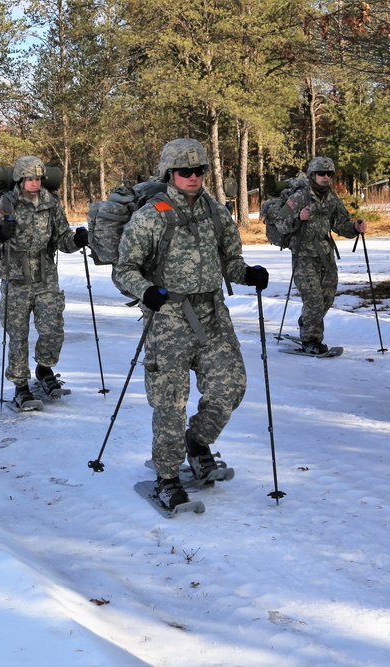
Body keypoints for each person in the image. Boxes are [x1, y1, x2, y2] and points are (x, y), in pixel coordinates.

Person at [114, 138, 269, 512]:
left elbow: (231, 260)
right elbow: (124, 270)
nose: (194, 177)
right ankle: (167, 478)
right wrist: (145, 291)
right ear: (170, 173)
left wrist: (248, 273)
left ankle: (197, 443)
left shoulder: (216, 211)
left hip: (213, 313)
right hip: (168, 317)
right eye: (185, 171)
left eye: (200, 170)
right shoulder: (151, 215)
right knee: (170, 402)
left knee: (231, 387)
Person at [0, 155, 89, 410]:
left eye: (38, 178)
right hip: (15, 278)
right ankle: (21, 386)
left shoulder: (51, 203)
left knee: (52, 330)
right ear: (20, 179)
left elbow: (62, 238)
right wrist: (0, 236)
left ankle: (44, 369)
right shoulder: (4, 204)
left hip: (46, 276)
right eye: (29, 178)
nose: (34, 183)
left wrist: (78, 240)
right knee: (18, 335)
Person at [274, 157, 366, 354]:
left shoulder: (332, 198)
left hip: (325, 255)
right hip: (303, 256)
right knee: (314, 300)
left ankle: (307, 322)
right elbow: (281, 224)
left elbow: (341, 225)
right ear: (312, 175)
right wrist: (298, 218)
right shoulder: (299, 197)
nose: (325, 177)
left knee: (327, 298)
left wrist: (355, 228)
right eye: (321, 174)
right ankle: (312, 341)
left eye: (329, 174)